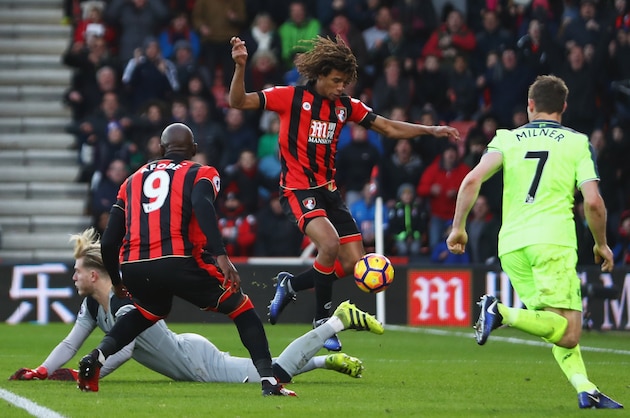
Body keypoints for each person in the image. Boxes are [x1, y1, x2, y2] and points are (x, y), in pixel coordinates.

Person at [229, 35, 460, 351]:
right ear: (320, 74)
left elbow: (389, 127)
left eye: (345, 82)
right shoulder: (289, 98)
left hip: (329, 192)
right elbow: (238, 102)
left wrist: (429, 130)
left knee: (354, 261)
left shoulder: (346, 107)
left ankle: (291, 284)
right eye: (336, 81)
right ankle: (322, 322)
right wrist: (241, 66)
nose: (341, 88)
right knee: (329, 244)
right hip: (298, 190)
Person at [75, 123, 293, 396]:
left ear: (161, 149)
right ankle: (269, 381)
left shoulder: (130, 181)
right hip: (179, 259)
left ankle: (98, 356)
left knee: (146, 312)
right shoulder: (201, 172)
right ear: (193, 149)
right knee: (242, 309)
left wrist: (117, 282)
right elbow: (203, 205)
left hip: (134, 265)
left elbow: (108, 240)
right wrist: (221, 255)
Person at [9, 228, 384, 386]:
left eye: (77, 271)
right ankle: (324, 360)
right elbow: (71, 343)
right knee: (276, 370)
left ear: (95, 274)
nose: (73, 277)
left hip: (198, 364)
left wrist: (87, 373)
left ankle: (336, 321)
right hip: (187, 353)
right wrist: (43, 370)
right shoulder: (94, 307)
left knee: (278, 373)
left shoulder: (128, 301)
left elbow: (121, 350)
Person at [446, 75, 623, 409]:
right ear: (564, 107)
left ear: (530, 106)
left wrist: (458, 227)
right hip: (552, 242)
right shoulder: (577, 143)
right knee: (569, 331)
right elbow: (594, 203)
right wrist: (601, 243)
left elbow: (471, 180)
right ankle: (499, 312)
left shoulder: (507, 138)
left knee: (554, 325)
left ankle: (585, 387)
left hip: (511, 246)